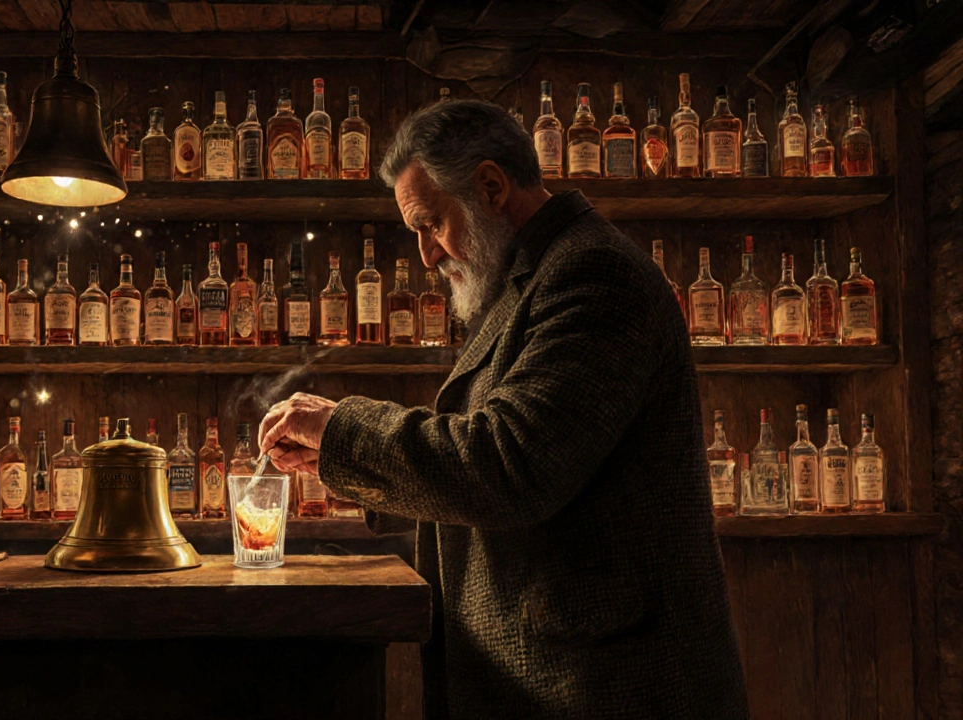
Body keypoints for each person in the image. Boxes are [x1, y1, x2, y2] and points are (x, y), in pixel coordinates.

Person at [257, 100, 749, 719]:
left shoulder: (593, 275)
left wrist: (342, 433)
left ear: (491, 187)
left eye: (431, 224)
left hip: (608, 681)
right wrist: (346, 468)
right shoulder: (532, 276)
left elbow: (510, 466)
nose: (428, 256)